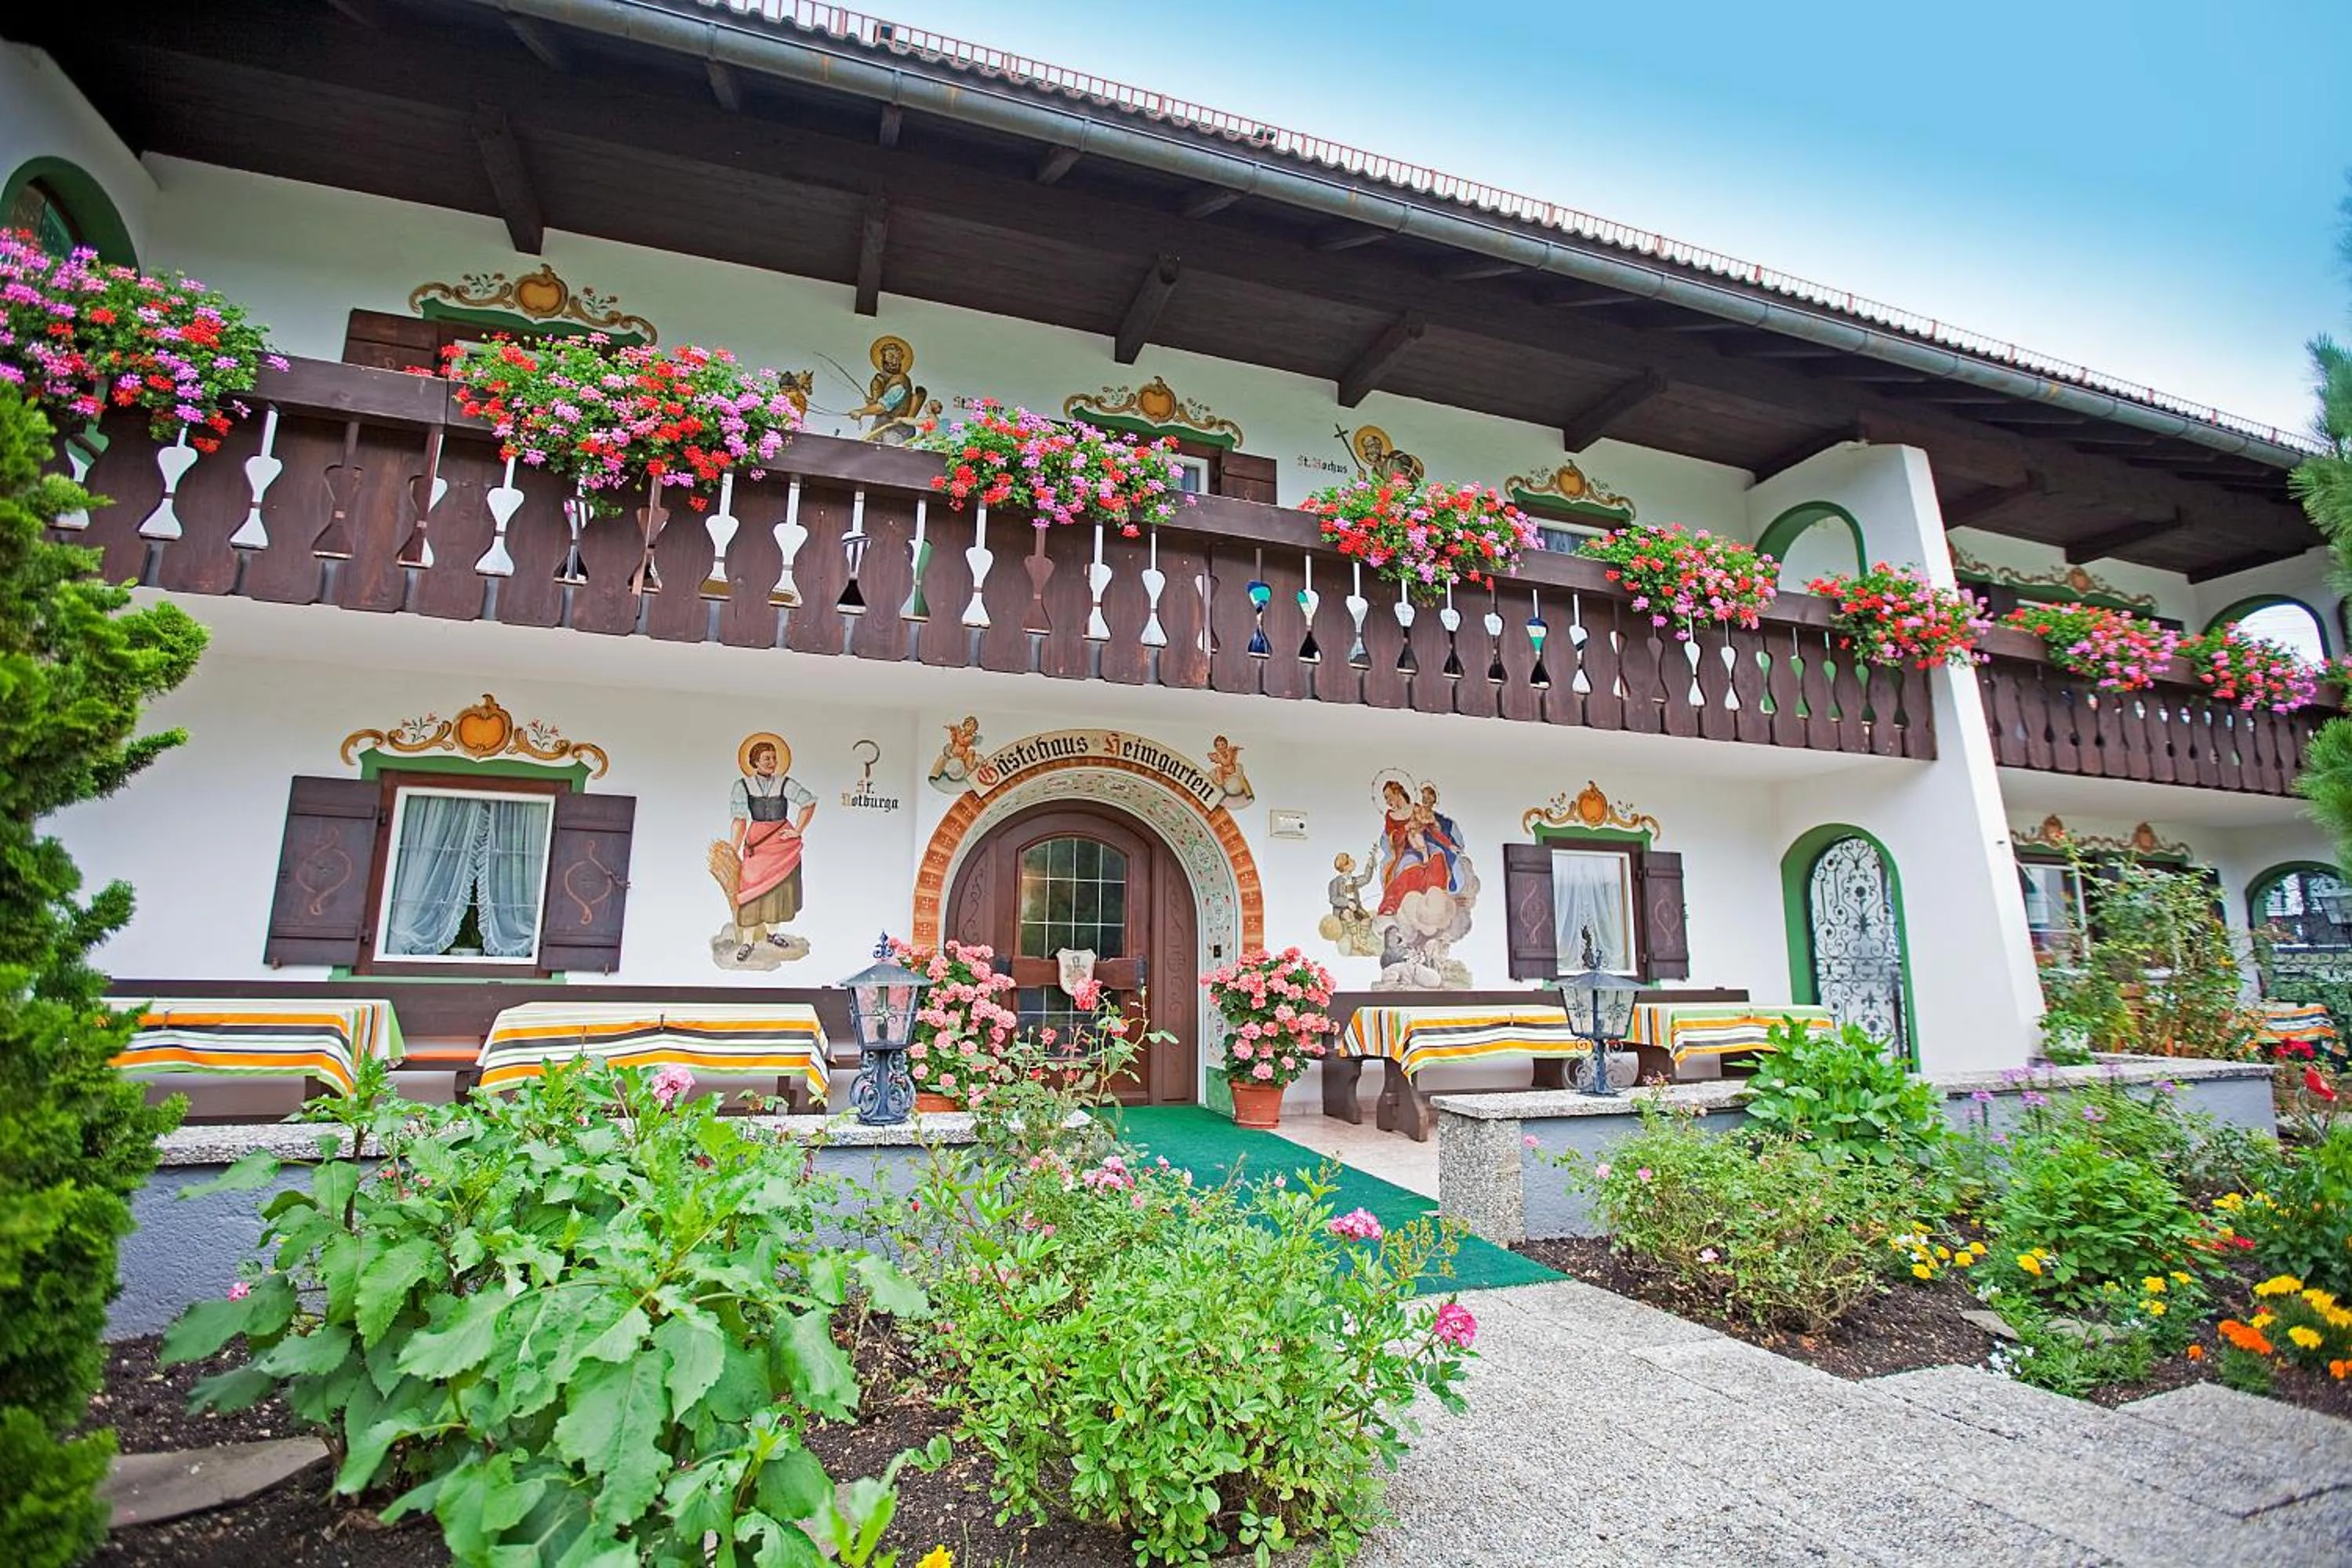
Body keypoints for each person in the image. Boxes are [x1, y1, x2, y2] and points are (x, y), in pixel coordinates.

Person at [726, 734, 815, 961]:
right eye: (766, 758)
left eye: (774, 758)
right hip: (758, 842)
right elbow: (739, 819)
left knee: (778, 890)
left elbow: (808, 801)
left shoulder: (784, 783)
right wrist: (733, 848)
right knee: (750, 889)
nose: (771, 762)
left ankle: (773, 934)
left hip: (781, 843)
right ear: (754, 761)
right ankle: (748, 942)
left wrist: (798, 830)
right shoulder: (743, 785)